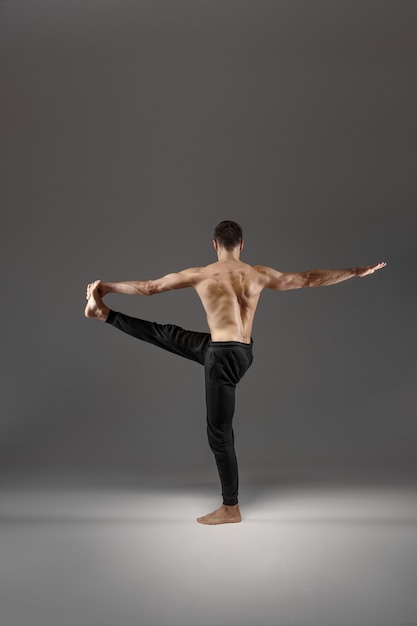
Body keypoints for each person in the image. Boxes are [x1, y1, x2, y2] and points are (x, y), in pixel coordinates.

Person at [85, 220, 386, 525]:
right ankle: (104, 314)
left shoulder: (201, 274)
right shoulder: (257, 273)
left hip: (221, 357)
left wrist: (107, 287)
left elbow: (149, 288)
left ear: (214, 245)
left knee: (219, 434)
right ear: (242, 245)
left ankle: (231, 507)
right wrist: (354, 271)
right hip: (241, 353)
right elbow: (308, 278)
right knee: (169, 334)